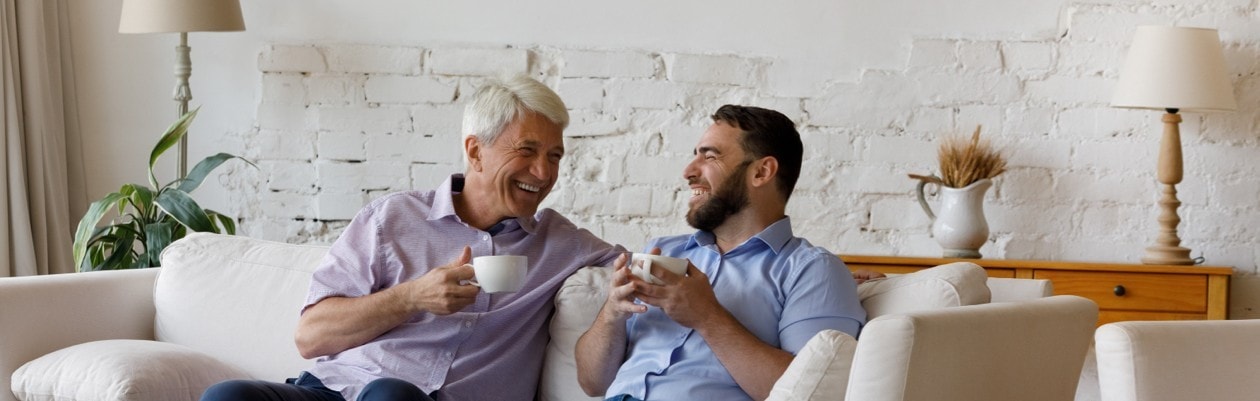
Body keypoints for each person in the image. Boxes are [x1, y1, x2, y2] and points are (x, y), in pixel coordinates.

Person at [200, 74, 625, 401]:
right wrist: (411, 298)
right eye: (527, 152)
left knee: (393, 394)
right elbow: (310, 337)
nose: (544, 173)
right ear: (476, 151)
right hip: (334, 391)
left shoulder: (561, 243)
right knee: (227, 396)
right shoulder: (393, 218)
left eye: (554, 157)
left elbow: (641, 266)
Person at [576, 105, 867, 401]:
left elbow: (810, 392)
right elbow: (592, 384)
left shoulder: (812, 271)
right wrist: (611, 314)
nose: (689, 171)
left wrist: (707, 316)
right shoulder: (664, 250)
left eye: (710, 156)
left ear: (761, 172)